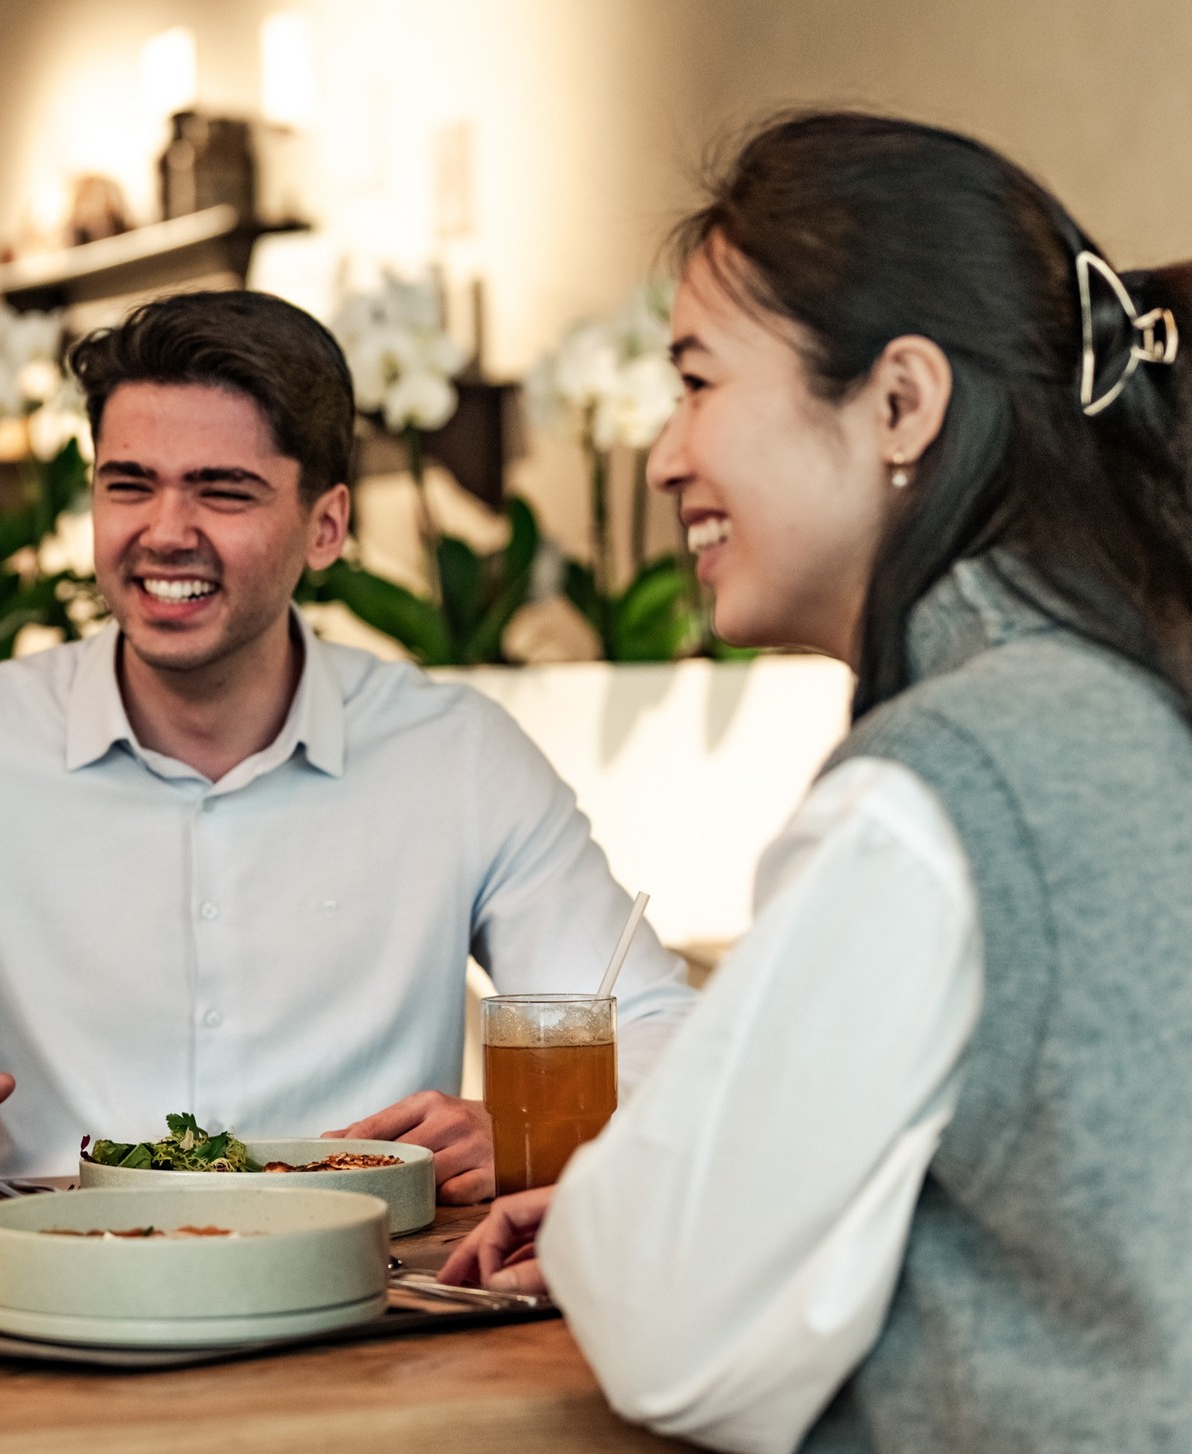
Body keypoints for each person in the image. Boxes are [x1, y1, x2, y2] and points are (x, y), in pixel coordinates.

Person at [440, 112, 1192, 1452]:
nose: (664, 454)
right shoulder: (1120, 699)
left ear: (897, 401)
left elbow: (672, 1336)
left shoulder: (936, 787)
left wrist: (633, 1215)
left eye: (695, 380)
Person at [0, 289, 693, 1191]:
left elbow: (660, 1027)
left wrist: (527, 1127)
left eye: (223, 490)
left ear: (327, 525)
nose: (164, 530)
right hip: (57, 1291)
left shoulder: (459, 755)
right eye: (129, 483)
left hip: (377, 1293)